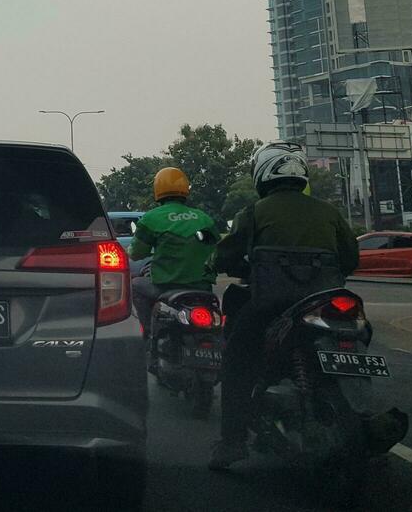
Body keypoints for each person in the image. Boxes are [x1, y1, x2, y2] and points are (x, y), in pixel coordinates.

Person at [208, 142, 359, 470]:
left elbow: (226, 256)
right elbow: (351, 258)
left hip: (271, 307)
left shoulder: (253, 212)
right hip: (326, 304)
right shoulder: (328, 211)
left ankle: (232, 442)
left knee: (235, 361)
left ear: (262, 174)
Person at [129, 167, 218, 344]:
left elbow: (137, 253)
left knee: (136, 284)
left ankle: (148, 335)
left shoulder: (151, 219)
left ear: (158, 190)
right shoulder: (204, 218)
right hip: (203, 288)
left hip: (166, 287)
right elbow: (215, 248)